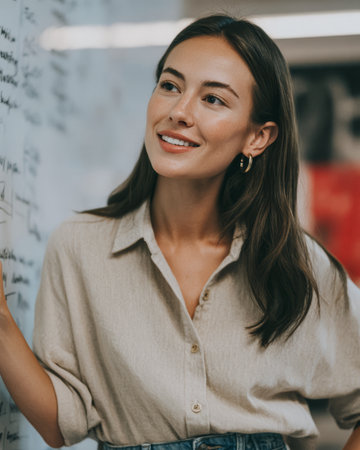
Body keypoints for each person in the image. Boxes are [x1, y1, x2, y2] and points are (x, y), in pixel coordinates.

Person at [0, 14, 360, 450]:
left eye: (213, 99)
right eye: (170, 86)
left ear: (258, 137)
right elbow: (60, 425)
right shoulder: (79, 246)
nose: (179, 112)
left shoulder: (297, 263)